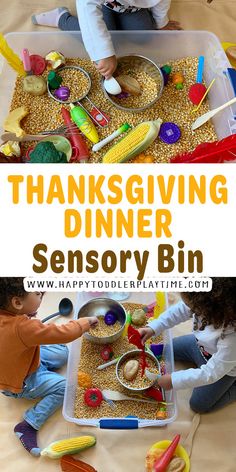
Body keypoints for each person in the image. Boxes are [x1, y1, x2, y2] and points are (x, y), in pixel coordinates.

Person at [0, 278, 98, 456]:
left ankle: (45, 377)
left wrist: (27, 316)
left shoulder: (10, 316)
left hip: (24, 357)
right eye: (38, 294)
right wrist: (85, 322)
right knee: (66, 388)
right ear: (17, 302)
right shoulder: (22, 327)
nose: (42, 296)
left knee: (62, 353)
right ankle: (29, 424)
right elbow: (64, 334)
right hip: (23, 381)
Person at [139, 278, 236, 413]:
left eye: (192, 307)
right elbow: (180, 311)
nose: (189, 308)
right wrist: (153, 328)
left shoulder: (231, 339)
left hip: (224, 371)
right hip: (200, 348)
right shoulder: (201, 300)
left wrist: (174, 380)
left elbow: (211, 373)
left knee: (198, 405)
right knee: (168, 349)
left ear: (208, 308)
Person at [32, 1, 181, 78]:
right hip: (102, 5)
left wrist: (161, 22)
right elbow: (88, 11)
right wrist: (104, 52)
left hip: (132, 8)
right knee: (110, 42)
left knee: (144, 35)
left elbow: (161, 2)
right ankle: (62, 19)